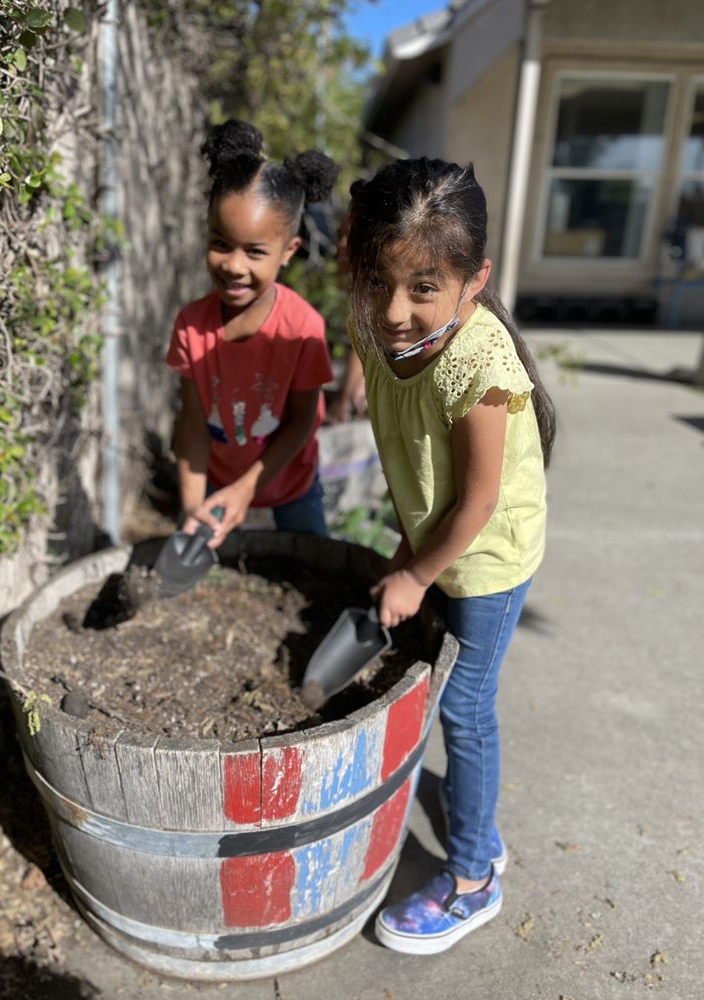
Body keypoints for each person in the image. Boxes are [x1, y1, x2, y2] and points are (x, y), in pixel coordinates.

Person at [343, 158, 556, 955]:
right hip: (439, 542)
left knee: (463, 711)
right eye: (378, 281)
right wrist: (406, 549)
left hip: (489, 558)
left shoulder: (481, 366)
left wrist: (415, 573)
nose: (395, 311)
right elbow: (407, 459)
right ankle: (479, 835)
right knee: (447, 698)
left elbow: (474, 503)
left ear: (476, 281)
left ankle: (473, 879)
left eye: (423, 288)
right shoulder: (377, 333)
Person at [165, 119, 339, 545]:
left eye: (255, 251)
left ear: (288, 252)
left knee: (311, 577)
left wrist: (247, 489)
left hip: (290, 489)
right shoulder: (192, 326)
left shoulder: (303, 330)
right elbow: (191, 425)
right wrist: (192, 507)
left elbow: (301, 424)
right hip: (215, 486)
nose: (234, 265)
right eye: (221, 243)